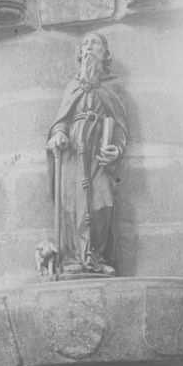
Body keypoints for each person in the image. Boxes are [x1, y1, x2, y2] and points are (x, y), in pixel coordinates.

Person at [47, 33, 128, 275]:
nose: (89, 46)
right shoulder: (72, 87)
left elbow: (121, 126)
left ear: (105, 54)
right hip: (73, 154)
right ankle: (75, 258)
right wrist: (58, 134)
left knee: (102, 202)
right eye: (85, 44)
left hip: (99, 153)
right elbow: (61, 121)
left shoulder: (112, 87)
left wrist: (117, 149)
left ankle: (98, 256)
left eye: (95, 43)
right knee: (72, 203)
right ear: (80, 55)